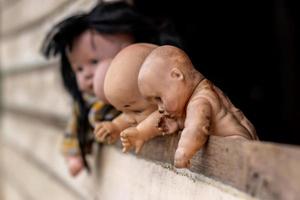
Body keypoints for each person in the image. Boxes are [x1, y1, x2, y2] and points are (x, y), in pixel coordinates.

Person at [41, 1, 181, 176]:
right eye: (79, 69)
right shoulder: (88, 105)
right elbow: (76, 128)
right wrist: (75, 154)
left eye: (94, 62)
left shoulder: (151, 88)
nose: (86, 75)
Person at [136, 45, 258, 168]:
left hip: (237, 149)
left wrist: (183, 151)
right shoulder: (204, 92)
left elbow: (196, 130)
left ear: (177, 75)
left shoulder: (200, 101)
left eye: (159, 98)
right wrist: (177, 123)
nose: (160, 108)